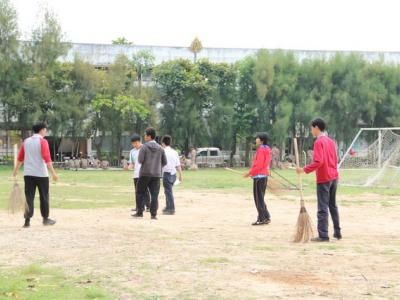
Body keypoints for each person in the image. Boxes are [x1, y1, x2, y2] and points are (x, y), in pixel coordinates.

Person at [296, 118, 341, 242]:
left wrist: (304, 169)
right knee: (332, 205)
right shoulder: (331, 141)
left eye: (311, 128)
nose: (311, 131)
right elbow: (335, 159)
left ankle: (323, 235)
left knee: (322, 207)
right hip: (333, 176)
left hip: (324, 178)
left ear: (316, 128)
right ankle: (337, 232)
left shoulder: (318, 142)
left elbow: (318, 162)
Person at [12, 122, 59, 228]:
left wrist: (15, 171)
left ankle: (27, 221)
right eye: (45, 129)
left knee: (29, 197)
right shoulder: (43, 142)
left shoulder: (26, 142)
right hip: (41, 174)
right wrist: (53, 173)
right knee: (44, 196)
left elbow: (20, 158)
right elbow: (47, 158)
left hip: (28, 174)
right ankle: (45, 219)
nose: (46, 131)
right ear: (42, 130)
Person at [133, 127, 167, 220]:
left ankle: (139, 212)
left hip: (145, 173)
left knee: (139, 192)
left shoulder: (144, 147)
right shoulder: (160, 148)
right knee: (154, 195)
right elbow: (164, 162)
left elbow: (140, 160)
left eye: (145, 135)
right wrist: (157, 166)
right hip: (156, 174)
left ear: (149, 136)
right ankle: (153, 215)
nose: (144, 136)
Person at [244, 133, 272, 226]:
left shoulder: (261, 150)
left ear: (261, 140)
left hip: (259, 177)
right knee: (261, 198)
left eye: (257, 138)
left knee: (258, 199)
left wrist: (249, 173)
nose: (256, 140)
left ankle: (261, 218)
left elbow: (259, 165)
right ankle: (266, 216)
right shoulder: (267, 149)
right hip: (264, 176)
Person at [124, 134, 150, 212]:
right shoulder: (132, 151)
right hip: (136, 174)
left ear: (139, 142)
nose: (134, 145)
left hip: (145, 173)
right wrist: (127, 168)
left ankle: (148, 206)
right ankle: (139, 207)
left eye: (135, 143)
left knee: (145, 190)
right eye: (133, 144)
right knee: (137, 191)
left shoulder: (146, 148)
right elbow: (132, 163)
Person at [161, 135, 183, 215]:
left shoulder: (162, 151)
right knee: (168, 191)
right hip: (173, 174)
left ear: (163, 143)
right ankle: (167, 207)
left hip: (166, 174)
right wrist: (181, 175)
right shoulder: (175, 152)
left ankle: (171, 208)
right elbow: (178, 165)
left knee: (168, 192)